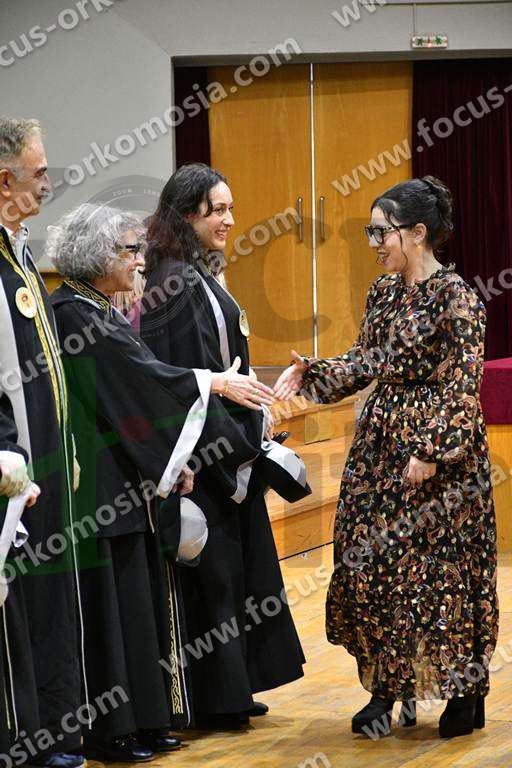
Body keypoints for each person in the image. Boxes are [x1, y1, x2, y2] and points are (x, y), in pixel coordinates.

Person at [47, 202, 275, 758]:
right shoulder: (74, 312)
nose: (140, 261)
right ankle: (111, 730)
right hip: (97, 487)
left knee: (138, 605)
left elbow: (139, 389)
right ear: (97, 255)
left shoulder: (97, 308)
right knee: (113, 611)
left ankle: (146, 719)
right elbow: (142, 379)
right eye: (130, 251)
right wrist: (213, 382)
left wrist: (175, 461)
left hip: (130, 480)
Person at [275, 176, 498, 739]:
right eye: (370, 232)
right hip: (380, 449)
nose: (374, 243)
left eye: (382, 232)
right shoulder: (383, 292)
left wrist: (432, 450)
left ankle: (463, 692)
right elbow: (367, 362)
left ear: (418, 233)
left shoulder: (457, 297)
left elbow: (462, 384)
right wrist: (313, 372)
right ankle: (386, 686)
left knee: (442, 574)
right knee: (374, 566)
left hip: (439, 457)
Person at [140, 163, 306, 729]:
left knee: (232, 573)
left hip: (225, 443)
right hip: (203, 456)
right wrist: (236, 447)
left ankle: (232, 688)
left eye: (232, 208)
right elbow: (184, 375)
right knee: (211, 576)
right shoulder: (173, 283)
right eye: (218, 210)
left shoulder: (195, 273)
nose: (231, 220)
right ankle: (215, 698)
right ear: (187, 214)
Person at [0, 117, 84, 767]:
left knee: (51, 599)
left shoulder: (21, 252)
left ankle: (55, 729)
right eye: (40, 172)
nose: (49, 182)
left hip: (49, 461)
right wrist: (12, 460)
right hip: (14, 472)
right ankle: (27, 741)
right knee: (23, 608)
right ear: (5, 182)